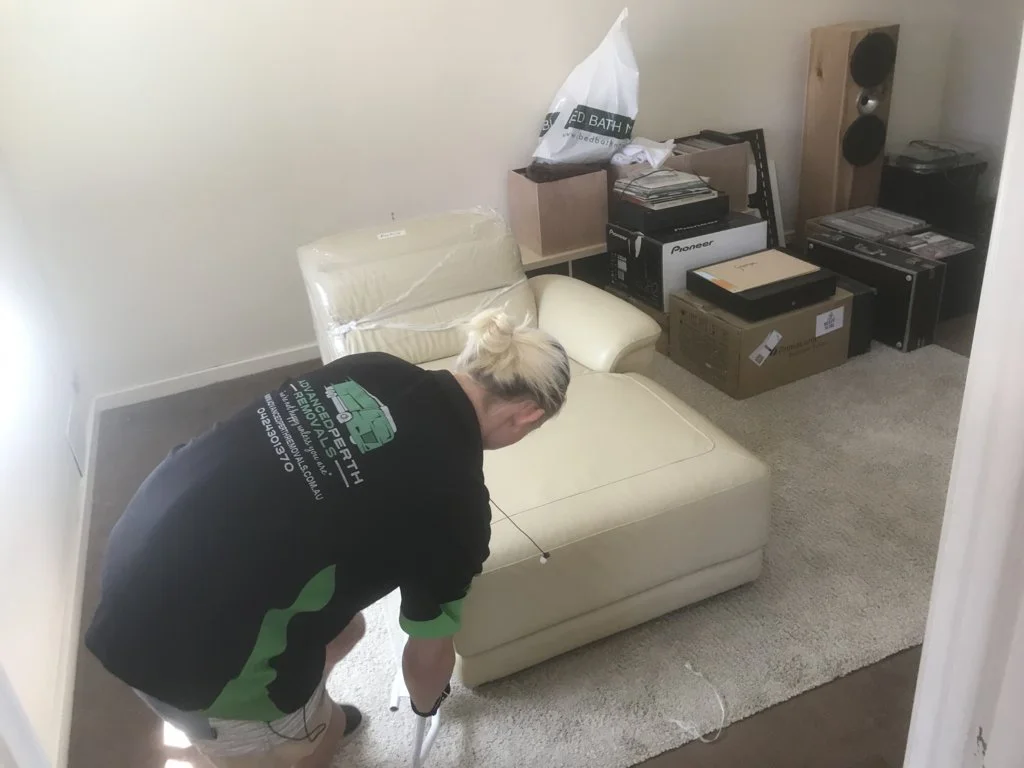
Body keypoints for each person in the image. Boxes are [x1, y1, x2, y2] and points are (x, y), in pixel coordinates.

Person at [85, 309, 570, 768]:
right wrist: (427, 705)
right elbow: (428, 656)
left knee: (349, 629)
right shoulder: (458, 506)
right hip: (195, 659)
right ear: (527, 415)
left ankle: (296, 711)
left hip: (137, 550)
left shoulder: (372, 368)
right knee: (327, 731)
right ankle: (289, 734)